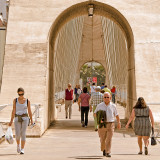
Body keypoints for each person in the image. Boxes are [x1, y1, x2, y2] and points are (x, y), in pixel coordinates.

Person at [94, 92, 121, 157]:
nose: (106, 98)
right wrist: (99, 118)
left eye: (107, 97)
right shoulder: (99, 105)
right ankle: (104, 149)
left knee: (109, 138)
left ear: (110, 98)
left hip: (110, 124)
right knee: (102, 138)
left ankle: (108, 151)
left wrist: (119, 122)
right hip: (102, 125)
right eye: (105, 97)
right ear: (103, 98)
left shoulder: (113, 106)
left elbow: (116, 115)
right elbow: (95, 114)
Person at [9, 87, 33, 154]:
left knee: (23, 133)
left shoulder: (27, 101)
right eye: (19, 95)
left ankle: (22, 149)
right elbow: (13, 110)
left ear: (24, 93)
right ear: (18, 94)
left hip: (25, 118)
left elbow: (29, 111)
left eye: (22, 94)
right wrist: (11, 120)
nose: (21, 96)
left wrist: (32, 120)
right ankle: (18, 145)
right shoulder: (15, 100)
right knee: (17, 134)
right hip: (17, 118)